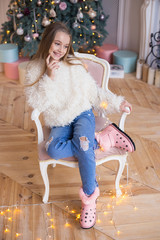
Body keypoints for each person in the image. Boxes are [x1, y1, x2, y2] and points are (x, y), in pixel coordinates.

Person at [25, 22, 135, 229]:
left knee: (84, 145)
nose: (60, 50)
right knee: (54, 150)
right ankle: (104, 138)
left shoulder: (74, 65)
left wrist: (117, 102)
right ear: (48, 41)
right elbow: (38, 104)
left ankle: (89, 199)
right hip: (59, 120)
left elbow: (94, 93)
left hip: (83, 114)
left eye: (65, 46)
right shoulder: (34, 69)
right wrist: (50, 75)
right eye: (57, 43)